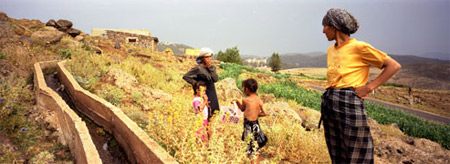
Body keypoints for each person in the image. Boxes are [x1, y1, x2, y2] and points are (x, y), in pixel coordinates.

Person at [320, 8, 401, 164]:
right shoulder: (331, 50)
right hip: (330, 102)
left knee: (358, 153)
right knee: (337, 152)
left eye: (325, 26)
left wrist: (369, 87)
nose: (323, 31)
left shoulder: (360, 47)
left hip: (349, 102)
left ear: (334, 26)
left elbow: (393, 66)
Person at [233, 78, 268, 163]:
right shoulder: (259, 100)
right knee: (255, 145)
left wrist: (237, 101)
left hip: (248, 125)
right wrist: (257, 114)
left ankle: (251, 161)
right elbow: (265, 113)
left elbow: (242, 109)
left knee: (248, 146)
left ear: (247, 89)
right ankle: (256, 160)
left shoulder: (246, 100)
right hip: (256, 125)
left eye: (243, 88)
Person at [183, 47, 220, 119]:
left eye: (210, 57)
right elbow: (186, 76)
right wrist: (197, 84)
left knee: (213, 113)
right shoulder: (198, 69)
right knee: (204, 114)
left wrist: (210, 68)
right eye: (207, 57)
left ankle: (209, 129)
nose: (209, 59)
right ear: (202, 58)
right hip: (203, 93)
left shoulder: (212, 68)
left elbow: (215, 79)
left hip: (212, 93)